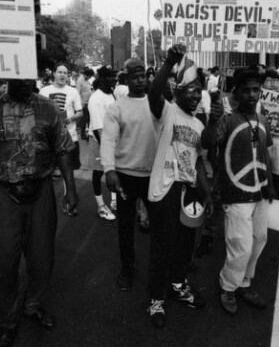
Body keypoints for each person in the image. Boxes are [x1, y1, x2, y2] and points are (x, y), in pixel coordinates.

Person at [0, 79, 79, 347]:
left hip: (41, 193)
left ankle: (33, 305)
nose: (23, 82)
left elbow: (62, 149)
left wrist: (71, 189)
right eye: (17, 77)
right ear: (8, 76)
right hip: (3, 194)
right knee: (3, 263)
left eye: (28, 77)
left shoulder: (47, 109)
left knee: (42, 257)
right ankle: (6, 322)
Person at [145, 44, 212, 329]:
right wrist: (169, 62)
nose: (196, 96)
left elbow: (198, 161)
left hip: (189, 190)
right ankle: (156, 299)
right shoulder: (167, 112)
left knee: (185, 245)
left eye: (199, 91)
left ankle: (177, 285)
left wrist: (206, 195)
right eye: (190, 91)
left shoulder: (198, 124)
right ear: (177, 92)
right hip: (165, 189)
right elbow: (152, 92)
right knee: (163, 245)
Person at [202, 69, 273, 315]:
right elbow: (207, 142)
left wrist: (270, 185)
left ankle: (244, 283)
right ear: (237, 92)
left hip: (260, 192)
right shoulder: (227, 118)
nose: (252, 95)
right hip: (235, 193)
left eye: (256, 90)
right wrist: (212, 120)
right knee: (239, 244)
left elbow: (265, 153)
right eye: (246, 90)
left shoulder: (263, 120)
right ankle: (228, 286)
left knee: (259, 240)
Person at [102, 57, 157, 291]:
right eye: (135, 76)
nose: (140, 80)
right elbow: (108, 139)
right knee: (125, 228)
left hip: (154, 177)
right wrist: (109, 170)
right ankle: (127, 269)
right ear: (127, 78)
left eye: (143, 75)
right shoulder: (117, 107)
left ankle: (166, 266)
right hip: (125, 176)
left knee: (162, 225)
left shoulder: (157, 103)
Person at [39, 63, 83, 208]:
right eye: (60, 72)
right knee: (47, 172)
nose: (63, 75)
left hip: (69, 137)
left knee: (68, 172)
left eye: (65, 73)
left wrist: (71, 119)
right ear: (54, 73)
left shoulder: (73, 91)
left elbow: (80, 112)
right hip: (48, 140)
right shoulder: (44, 91)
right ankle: (46, 204)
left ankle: (69, 201)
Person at [87, 66, 117, 220]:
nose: (115, 79)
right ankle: (101, 206)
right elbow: (99, 130)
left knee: (113, 172)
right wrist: (108, 151)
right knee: (99, 173)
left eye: (115, 76)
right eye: (111, 76)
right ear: (103, 78)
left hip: (112, 140)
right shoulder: (96, 98)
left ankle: (114, 201)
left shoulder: (111, 94)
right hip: (100, 142)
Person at [261, 69, 279, 200]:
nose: (273, 84)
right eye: (269, 81)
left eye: (276, 81)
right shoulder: (256, 99)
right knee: (262, 178)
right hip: (261, 143)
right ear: (262, 83)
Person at [76, 67, 94, 139]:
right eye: (90, 76)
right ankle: (83, 134)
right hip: (83, 103)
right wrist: (81, 103)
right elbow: (77, 93)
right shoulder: (80, 80)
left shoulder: (86, 80)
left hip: (88, 102)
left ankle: (90, 133)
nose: (90, 78)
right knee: (83, 119)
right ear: (87, 75)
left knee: (89, 118)